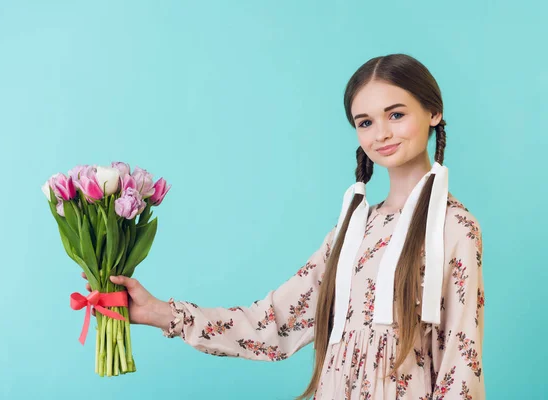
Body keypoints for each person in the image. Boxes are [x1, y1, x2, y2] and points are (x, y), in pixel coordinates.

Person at [83, 53, 485, 399]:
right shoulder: (352, 228)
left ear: (433, 112)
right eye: (364, 122)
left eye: (395, 115)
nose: (380, 133)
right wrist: (158, 312)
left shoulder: (455, 228)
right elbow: (273, 323)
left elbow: (460, 359)